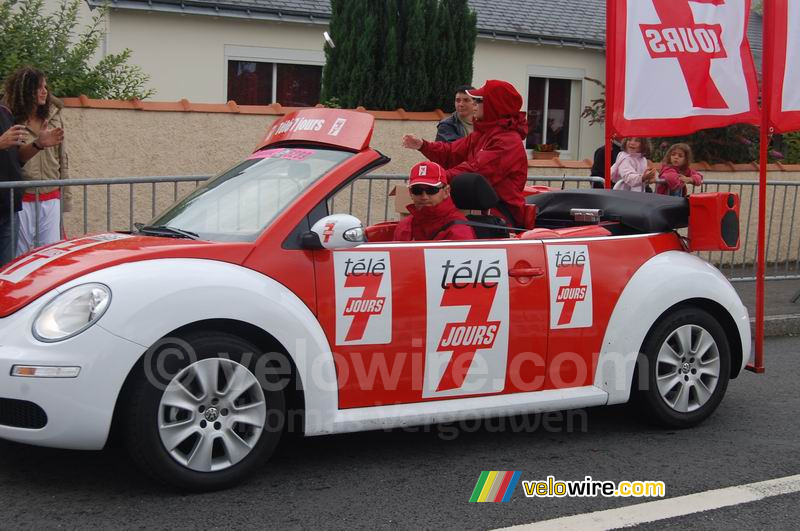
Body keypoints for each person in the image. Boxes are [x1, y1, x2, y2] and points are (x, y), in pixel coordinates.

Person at [402, 79, 528, 226]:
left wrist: (436, 179)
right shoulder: (484, 133)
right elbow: (452, 152)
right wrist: (424, 145)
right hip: (480, 213)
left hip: (499, 217)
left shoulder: (507, 141)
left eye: (478, 100)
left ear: (495, 105)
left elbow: (477, 169)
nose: (474, 104)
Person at [3, 67, 71, 255]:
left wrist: (65, 196)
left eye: (46, 87)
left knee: (50, 255)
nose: (45, 91)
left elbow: (62, 157)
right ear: (26, 90)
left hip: (51, 193)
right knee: (20, 257)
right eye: (39, 87)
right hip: (22, 196)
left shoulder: (54, 115)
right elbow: (13, 159)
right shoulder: (10, 117)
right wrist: (38, 143)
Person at [393, 161, 475, 241]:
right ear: (410, 193)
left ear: (446, 191)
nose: (424, 196)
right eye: (417, 190)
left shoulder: (459, 230)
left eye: (431, 190)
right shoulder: (405, 225)